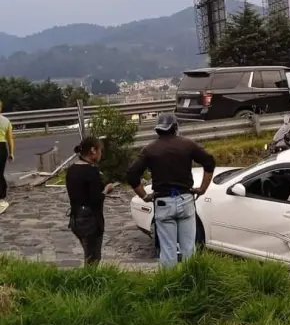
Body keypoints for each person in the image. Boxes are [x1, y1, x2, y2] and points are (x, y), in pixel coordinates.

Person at [126, 113, 216, 268]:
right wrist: (202, 188)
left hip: (163, 202)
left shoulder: (149, 150)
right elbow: (209, 162)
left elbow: (132, 174)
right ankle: (191, 282)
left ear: (158, 130)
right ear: (175, 127)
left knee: (168, 249)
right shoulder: (188, 145)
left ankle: (171, 285)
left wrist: (144, 196)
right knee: (189, 247)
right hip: (186, 199)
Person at [65, 137, 113, 266]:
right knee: (93, 259)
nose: (101, 154)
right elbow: (96, 198)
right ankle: (88, 283)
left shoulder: (71, 170)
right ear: (93, 151)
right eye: (100, 151)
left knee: (88, 254)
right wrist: (107, 190)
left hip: (75, 218)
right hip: (90, 219)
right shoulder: (91, 172)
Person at [0, 101, 15, 211]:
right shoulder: (6, 121)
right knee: (0, 172)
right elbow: (10, 139)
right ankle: (2, 196)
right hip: (2, 148)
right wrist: (11, 153)